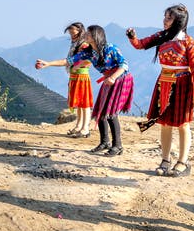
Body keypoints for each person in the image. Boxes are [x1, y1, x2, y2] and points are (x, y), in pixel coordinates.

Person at [127, 4, 194, 177]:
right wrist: (132, 37)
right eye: (165, 17)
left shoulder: (189, 42)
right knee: (164, 123)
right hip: (164, 82)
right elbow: (140, 45)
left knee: (182, 124)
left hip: (183, 85)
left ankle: (183, 162)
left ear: (178, 21)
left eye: (169, 18)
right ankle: (165, 159)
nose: (165, 21)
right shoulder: (161, 37)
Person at [39, 24, 133, 155]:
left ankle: (118, 146)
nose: (85, 35)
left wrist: (113, 77)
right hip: (108, 79)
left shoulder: (110, 48)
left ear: (96, 36)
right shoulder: (89, 52)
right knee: (99, 112)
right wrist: (48, 64)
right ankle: (105, 142)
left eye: (88, 33)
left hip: (121, 79)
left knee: (111, 113)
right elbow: (68, 61)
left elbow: (124, 65)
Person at [63, 22, 93, 138]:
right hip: (75, 76)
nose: (71, 34)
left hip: (82, 76)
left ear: (80, 31)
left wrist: (77, 66)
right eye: (70, 33)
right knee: (79, 103)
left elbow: (89, 60)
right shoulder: (75, 43)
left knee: (84, 104)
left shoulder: (84, 44)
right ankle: (79, 125)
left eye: (73, 32)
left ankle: (85, 128)